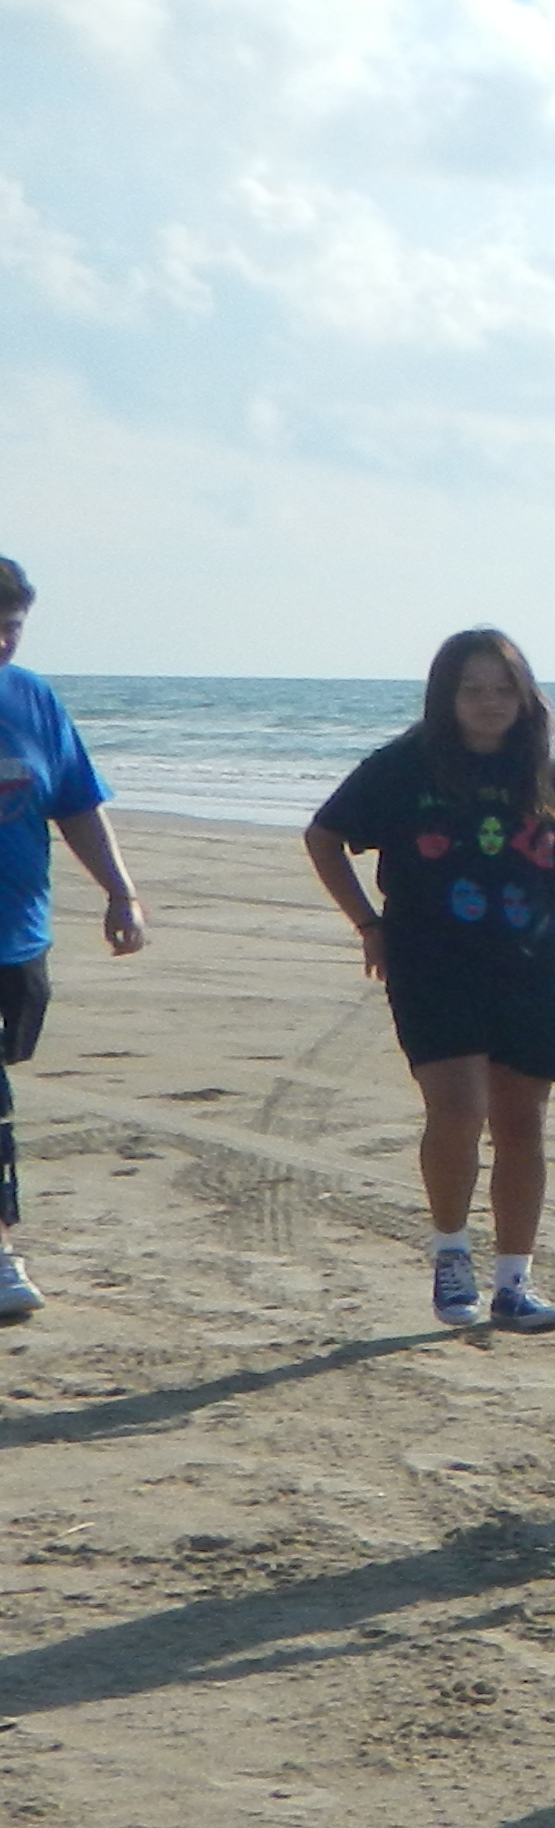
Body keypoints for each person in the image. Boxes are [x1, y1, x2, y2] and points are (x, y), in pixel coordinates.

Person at [304, 629, 555, 1334]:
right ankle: (451, 1253)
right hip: (432, 965)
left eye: (503, 689)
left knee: (523, 1124)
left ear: (526, 697)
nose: (489, 703)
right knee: (457, 1112)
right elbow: (324, 836)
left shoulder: (548, 777)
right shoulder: (404, 768)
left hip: (532, 969)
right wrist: (369, 924)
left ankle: (515, 1282)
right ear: (446, 697)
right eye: (473, 689)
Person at [0, 556, 151, 1323]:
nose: (1, 640)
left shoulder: (33, 700)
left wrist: (120, 892)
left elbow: (77, 805)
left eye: (12, 627)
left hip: (18, 938)